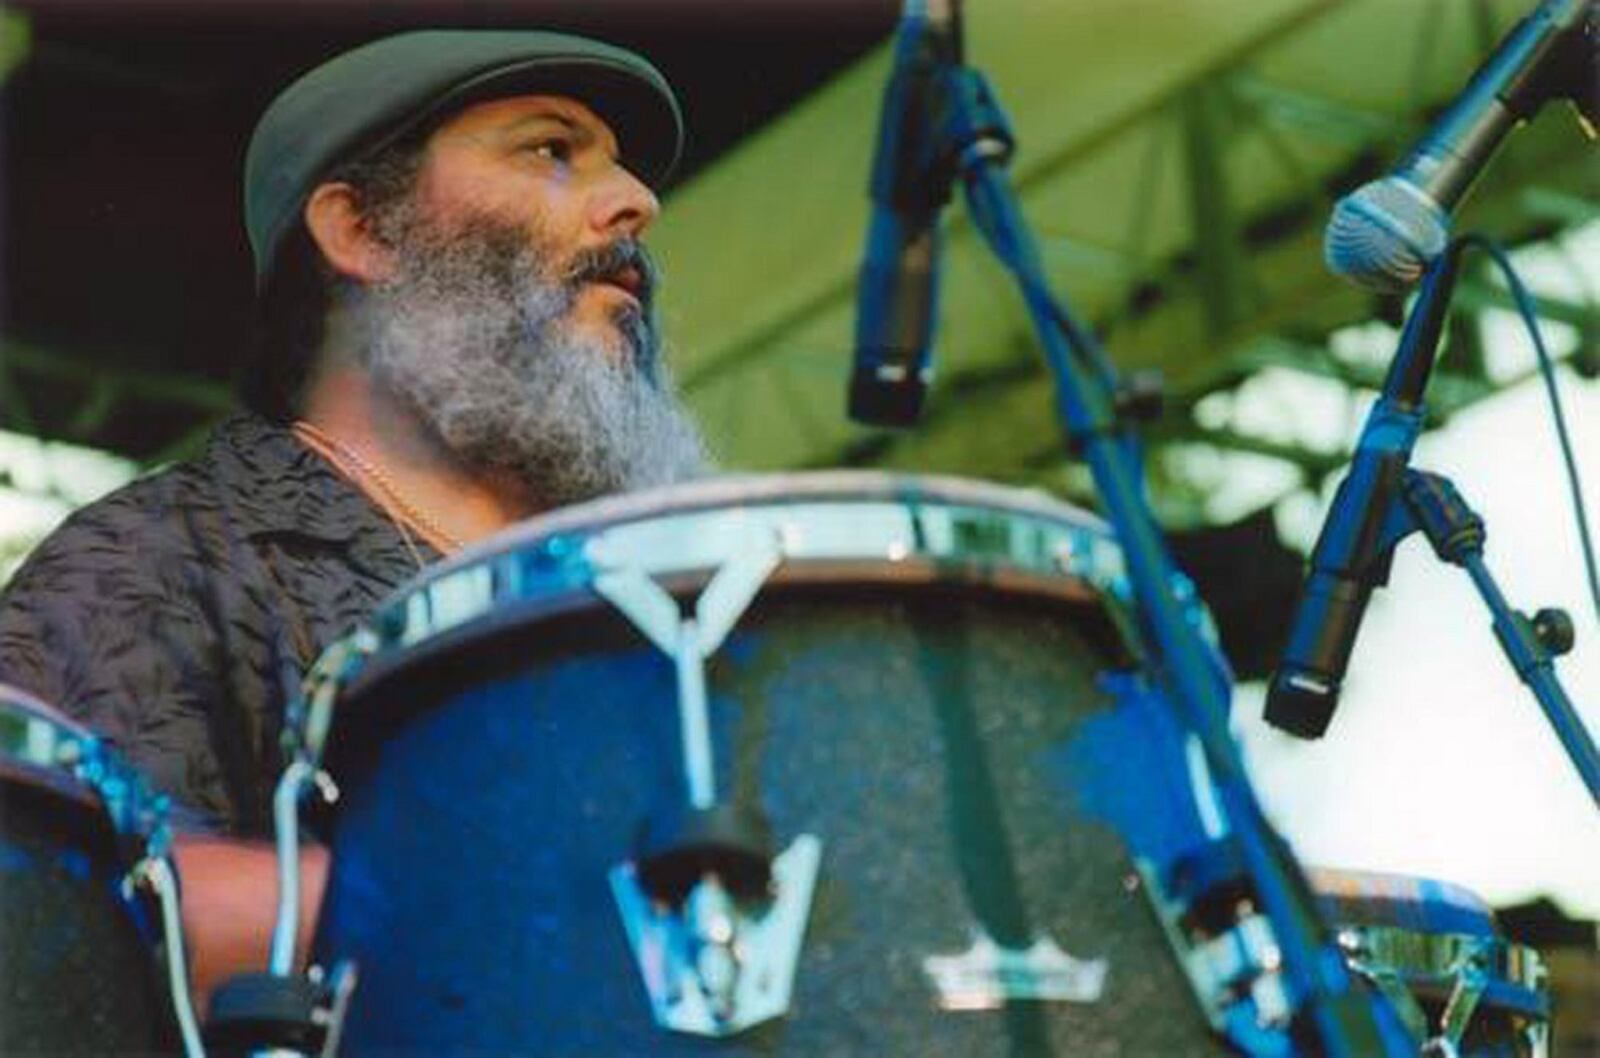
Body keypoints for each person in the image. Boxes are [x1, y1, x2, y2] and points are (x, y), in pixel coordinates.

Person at [0, 29, 707, 1011]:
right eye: (552, 149)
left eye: (616, 161)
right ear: (361, 231)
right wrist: (530, 910)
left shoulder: (650, 618)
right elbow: (44, 898)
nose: (637, 198)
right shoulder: (168, 553)